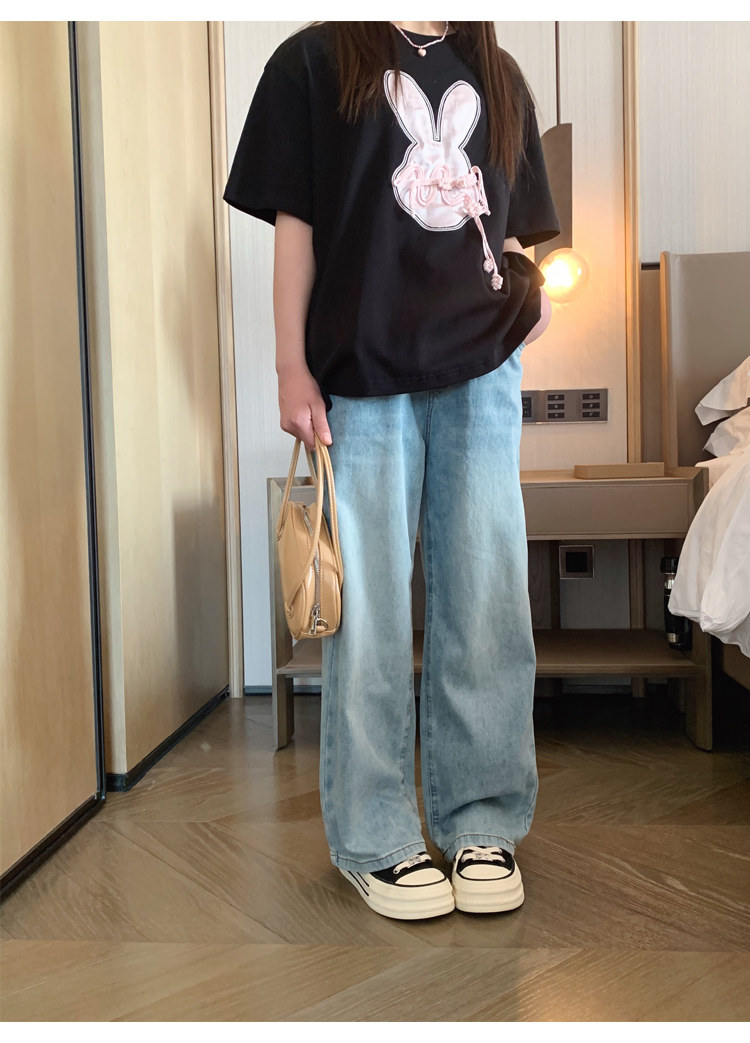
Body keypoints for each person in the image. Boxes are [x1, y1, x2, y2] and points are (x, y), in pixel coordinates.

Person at [224, 20, 560, 921]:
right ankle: (375, 836)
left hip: (482, 371)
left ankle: (481, 820)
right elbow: (297, 225)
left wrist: (531, 300)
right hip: (361, 372)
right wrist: (290, 368)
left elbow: (519, 231)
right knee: (367, 609)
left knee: (487, 594)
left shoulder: (498, 74)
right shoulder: (315, 60)